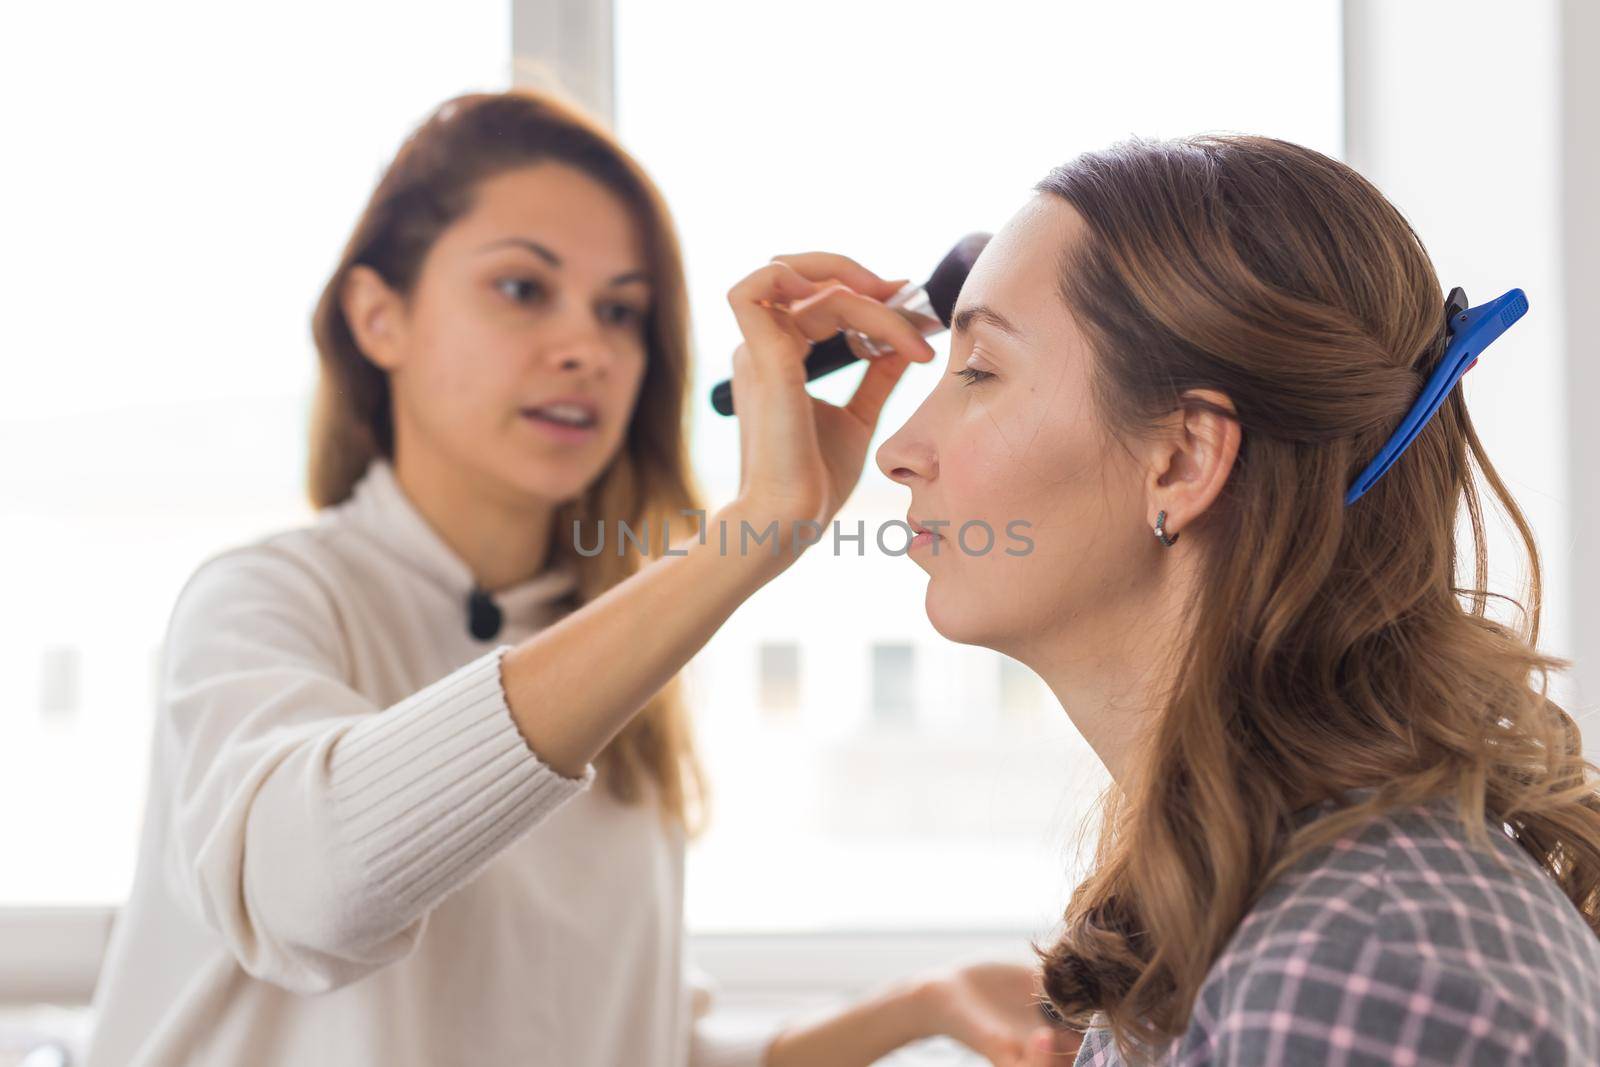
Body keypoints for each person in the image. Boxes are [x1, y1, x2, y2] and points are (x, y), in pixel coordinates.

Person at [83, 88, 1075, 1067]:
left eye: (622, 312)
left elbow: (636, 1041)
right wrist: (750, 533)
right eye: (522, 288)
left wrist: (918, 1005)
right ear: (377, 317)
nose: (587, 349)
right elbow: (305, 892)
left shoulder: (611, 649)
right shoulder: (263, 600)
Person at [871, 134, 1600, 1065]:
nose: (898, 448)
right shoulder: (1252, 912)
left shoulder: (1361, 965)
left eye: (979, 371)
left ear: (1180, 460)